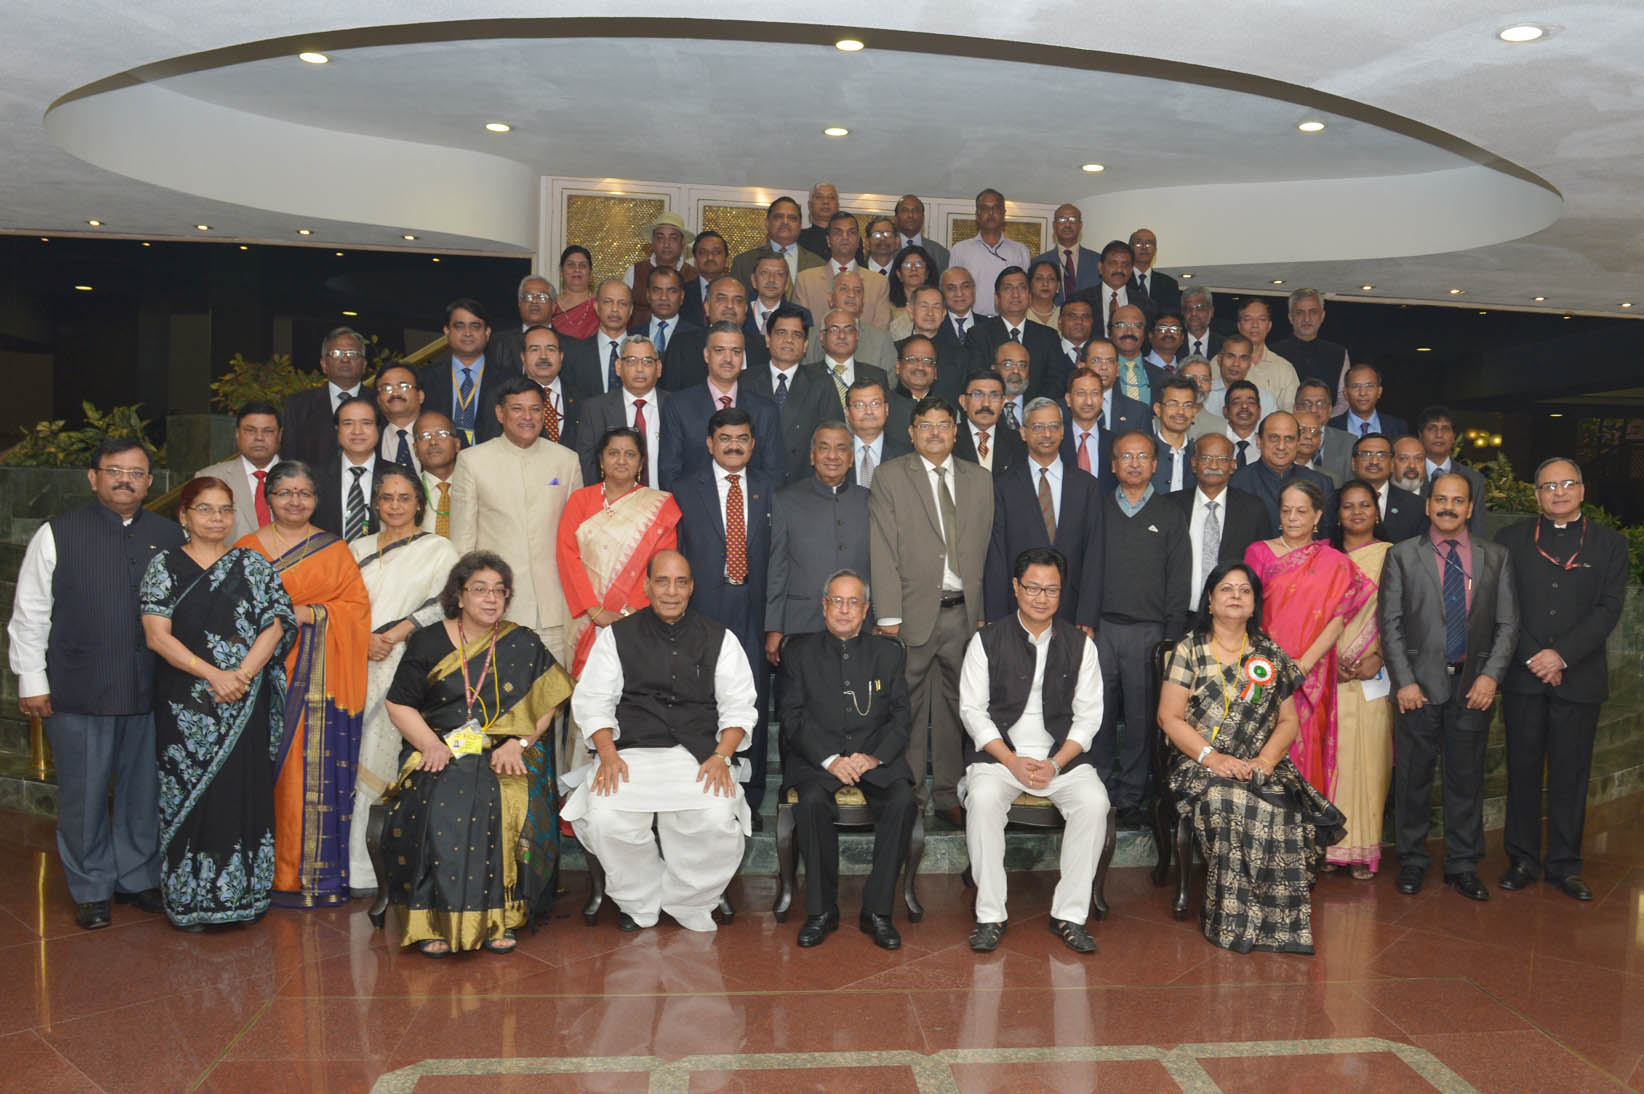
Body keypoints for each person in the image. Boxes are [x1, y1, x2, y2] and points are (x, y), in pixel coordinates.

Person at [8, 438, 186, 929]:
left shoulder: (171, 536)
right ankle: (90, 886)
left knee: (142, 792)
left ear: (151, 482)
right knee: (83, 794)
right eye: (114, 470)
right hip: (79, 688)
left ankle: (137, 877)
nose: (125, 479)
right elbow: (30, 614)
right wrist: (31, 680)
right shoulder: (57, 533)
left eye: (136, 472)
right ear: (93, 477)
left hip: (151, 690)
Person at [381, 551, 572, 956]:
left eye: (499, 592)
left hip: (506, 748)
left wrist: (517, 744)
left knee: (497, 797)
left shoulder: (522, 641)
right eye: (480, 590)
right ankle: (429, 919)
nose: (491, 599)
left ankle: (498, 918)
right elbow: (399, 703)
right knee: (439, 797)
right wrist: (430, 744)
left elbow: (548, 702)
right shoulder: (428, 641)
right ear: (459, 596)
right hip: (440, 748)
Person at [563, 551, 758, 932]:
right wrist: (607, 754)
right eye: (663, 581)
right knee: (605, 817)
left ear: (692, 588)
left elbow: (739, 706)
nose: (672, 591)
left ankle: (690, 898)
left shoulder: (721, 638)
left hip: (698, 754)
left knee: (715, 817)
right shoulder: (616, 636)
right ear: (647, 585)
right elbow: (593, 701)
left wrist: (722, 755)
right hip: (630, 753)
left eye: (681, 582)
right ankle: (641, 899)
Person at [1157, 561, 1345, 953]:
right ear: (1209, 600)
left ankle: (1279, 924)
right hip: (1198, 764)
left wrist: (1266, 760)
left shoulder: (1268, 654)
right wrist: (1212, 758)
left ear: (1254, 603)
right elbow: (1169, 717)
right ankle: (1233, 921)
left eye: (1244, 591)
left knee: (1284, 809)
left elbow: (1289, 721)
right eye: (1226, 589)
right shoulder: (1189, 650)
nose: (1235, 597)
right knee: (1229, 800)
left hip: (1256, 763)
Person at [138, 477, 295, 929]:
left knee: (242, 794)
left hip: (246, 702)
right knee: (189, 796)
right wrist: (214, 676)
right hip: (187, 705)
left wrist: (242, 676)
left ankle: (243, 899)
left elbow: (278, 622)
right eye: (205, 509)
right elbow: (156, 636)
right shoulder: (164, 566)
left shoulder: (251, 564)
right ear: (184, 515)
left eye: (225, 510)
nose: (216, 519)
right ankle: (191, 902)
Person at [235, 460, 371, 907]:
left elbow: (355, 610)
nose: (295, 501)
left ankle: (311, 875)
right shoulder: (247, 548)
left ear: (316, 500)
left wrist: (307, 614)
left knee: (306, 773)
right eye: (284, 493)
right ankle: (263, 875)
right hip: (258, 678)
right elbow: (232, 613)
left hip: (319, 683)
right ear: (268, 498)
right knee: (263, 774)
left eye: (304, 493)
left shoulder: (333, 550)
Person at [960, 547, 1109, 954]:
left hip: (1062, 758)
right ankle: (990, 914)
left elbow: (1089, 717)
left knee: (1094, 803)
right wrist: (1010, 759)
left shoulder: (1081, 645)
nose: (1041, 598)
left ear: (1062, 594)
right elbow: (972, 711)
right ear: (1015, 587)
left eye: (1052, 590)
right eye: (1032, 588)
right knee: (985, 799)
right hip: (1000, 756)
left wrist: (1056, 764)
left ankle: (1070, 914)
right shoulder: (986, 640)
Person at [1497, 458, 1629, 901]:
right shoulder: (1511, 540)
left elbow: (1609, 609)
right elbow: (1503, 606)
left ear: (1582, 490)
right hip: (1524, 676)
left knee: (1572, 775)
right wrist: (1534, 653)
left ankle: (1566, 865)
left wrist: (1561, 655)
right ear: (1536, 495)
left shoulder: (1610, 544)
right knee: (1523, 771)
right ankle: (1522, 859)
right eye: (1549, 486)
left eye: (1567, 483)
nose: (1558, 492)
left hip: (1580, 677)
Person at [1381, 473, 1517, 901]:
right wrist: (1403, 681)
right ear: (1428, 505)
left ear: (1470, 508)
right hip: (1416, 690)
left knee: (1466, 780)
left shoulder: (1495, 557)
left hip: (1473, 689)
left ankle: (1462, 864)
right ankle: (1412, 860)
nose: (1448, 508)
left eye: (1458, 501)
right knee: (1413, 781)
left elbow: (1508, 623)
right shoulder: (1402, 555)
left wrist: (1490, 676)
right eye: (1441, 499)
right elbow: (1390, 624)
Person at [869, 395, 994, 823]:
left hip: (964, 612)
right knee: (908, 706)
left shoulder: (979, 479)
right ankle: (909, 793)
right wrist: (887, 616)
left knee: (959, 708)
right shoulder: (889, 476)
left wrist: (984, 612)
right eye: (926, 425)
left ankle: (947, 794)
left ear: (955, 432)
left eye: (943, 425)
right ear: (912, 431)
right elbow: (882, 549)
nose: (935, 432)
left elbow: (990, 550)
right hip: (911, 612)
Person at [779, 570, 916, 950]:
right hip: (817, 761)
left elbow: (901, 718)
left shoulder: (886, 654)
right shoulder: (798, 653)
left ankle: (878, 912)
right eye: (836, 601)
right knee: (810, 802)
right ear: (823, 607)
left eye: (853, 602)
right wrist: (829, 760)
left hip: (874, 758)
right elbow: (791, 718)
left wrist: (873, 758)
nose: (844, 609)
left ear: (866, 610)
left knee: (903, 801)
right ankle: (821, 911)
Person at [346, 466, 460, 890]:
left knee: (391, 761)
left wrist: (392, 635)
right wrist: (362, 640)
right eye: (388, 498)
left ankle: (397, 868)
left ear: (419, 504)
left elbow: (443, 604)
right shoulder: (354, 549)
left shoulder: (438, 549)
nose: (395, 506)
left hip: (409, 667)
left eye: (405, 498)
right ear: (376, 504)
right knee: (356, 763)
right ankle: (357, 867)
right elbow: (340, 605)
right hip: (357, 664)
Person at [674, 408, 777, 818]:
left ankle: (750, 794)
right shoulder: (683, 489)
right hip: (702, 609)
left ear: (753, 443)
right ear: (709, 443)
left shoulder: (770, 487)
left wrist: (776, 621)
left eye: (742, 438)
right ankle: (704, 780)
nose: (734, 445)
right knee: (703, 698)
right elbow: (678, 552)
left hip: (754, 607)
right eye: (725, 439)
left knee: (753, 699)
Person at [1244, 479, 1374, 797]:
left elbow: (1337, 619)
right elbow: (1247, 611)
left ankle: (1302, 838)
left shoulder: (1333, 562)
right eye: (1286, 510)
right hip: (1262, 669)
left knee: (1305, 751)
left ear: (1317, 516)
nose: (1292, 518)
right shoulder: (1258, 552)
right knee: (1260, 747)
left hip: (1311, 673)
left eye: (1301, 511)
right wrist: (1270, 663)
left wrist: (1303, 665)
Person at [449, 375, 583, 664]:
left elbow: (578, 537)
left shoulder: (566, 460)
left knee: (556, 696)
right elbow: (462, 542)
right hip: (496, 607)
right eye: (517, 409)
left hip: (555, 607)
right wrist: (466, 604)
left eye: (535, 409)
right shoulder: (473, 461)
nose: (527, 417)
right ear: (500, 413)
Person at [1095, 430, 1190, 826]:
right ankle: (1095, 790)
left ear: (1155, 464)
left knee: (1139, 719)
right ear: (1113, 464)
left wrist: (1170, 637)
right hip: (1101, 630)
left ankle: (1132, 793)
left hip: (1150, 635)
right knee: (1096, 716)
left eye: (1142, 456)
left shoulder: (1169, 514)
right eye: (1125, 456)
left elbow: (1178, 579)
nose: (1134, 463)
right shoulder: (1098, 508)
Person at [557, 426, 681, 680]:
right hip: (586, 617)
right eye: (613, 453)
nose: (621, 460)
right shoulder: (580, 500)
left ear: (641, 463)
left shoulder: (659, 505)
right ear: (601, 459)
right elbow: (567, 556)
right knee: (588, 695)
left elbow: (661, 566)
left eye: (630, 454)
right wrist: (594, 610)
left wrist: (630, 611)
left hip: (638, 618)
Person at [983, 398, 1104, 631]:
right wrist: (996, 619)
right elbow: (996, 556)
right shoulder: (1003, 486)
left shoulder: (1086, 486)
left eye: (1054, 426)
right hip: (1016, 611)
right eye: (1038, 427)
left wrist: (1087, 617)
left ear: (1062, 432)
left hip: (1071, 611)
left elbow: (1094, 555)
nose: (1046, 434)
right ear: (1023, 432)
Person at [1328, 478, 1395, 879]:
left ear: (1377, 511)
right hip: (1329, 674)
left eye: (1365, 505)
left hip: (1374, 674)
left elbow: (1400, 613)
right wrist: (1326, 660)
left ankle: (1362, 850)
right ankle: (1329, 847)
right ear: (1336, 515)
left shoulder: (1393, 557)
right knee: (1331, 759)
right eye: (1348, 506)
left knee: (1371, 761)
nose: (1356, 512)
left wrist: (1380, 655)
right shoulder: (1324, 558)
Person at [766, 422, 871, 662]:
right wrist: (774, 627)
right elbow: (777, 570)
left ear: (851, 458)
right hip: (802, 622)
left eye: (841, 448)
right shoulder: (786, 500)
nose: (832, 456)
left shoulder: (869, 500)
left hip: (858, 625)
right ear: (812, 457)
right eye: (824, 448)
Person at [657, 321, 784, 487]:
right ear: (706, 355)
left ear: (743, 357)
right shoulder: (678, 406)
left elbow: (774, 475)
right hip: (694, 508)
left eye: (736, 352)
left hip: (751, 508)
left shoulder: (765, 410)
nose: (728, 359)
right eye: (719, 350)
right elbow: (669, 474)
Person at [1164, 434, 1272, 609]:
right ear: (1193, 463)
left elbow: (1263, 568)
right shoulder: (1170, 506)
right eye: (1206, 458)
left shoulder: (1253, 509)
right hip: (1177, 614)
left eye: (1221, 459)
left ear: (1232, 465)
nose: (1213, 466)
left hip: (1232, 617)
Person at [741, 305, 836, 482]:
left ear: (805, 345)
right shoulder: (745, 381)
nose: (789, 340)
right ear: (768, 339)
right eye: (781, 333)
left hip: (804, 485)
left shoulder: (821, 383)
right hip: (754, 482)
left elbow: (833, 437)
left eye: (797, 335)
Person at [574, 336, 667, 488]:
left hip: (666, 502)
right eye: (631, 360)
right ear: (618, 367)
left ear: (658, 368)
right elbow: (587, 466)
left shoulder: (675, 406)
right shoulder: (595, 409)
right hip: (612, 504)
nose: (639, 368)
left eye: (647, 361)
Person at [419, 299, 511, 447]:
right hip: (441, 462)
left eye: (475, 326)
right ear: (447, 332)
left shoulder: (508, 380)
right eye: (459, 326)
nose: (467, 333)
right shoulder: (426, 378)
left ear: (487, 332)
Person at [281, 327, 372, 466]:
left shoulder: (380, 402)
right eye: (336, 353)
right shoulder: (298, 405)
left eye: (352, 353)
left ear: (364, 364)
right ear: (323, 364)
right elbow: (289, 457)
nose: (345, 359)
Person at [195, 400, 283, 541]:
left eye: (268, 431)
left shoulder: (301, 479)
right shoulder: (210, 478)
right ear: (237, 434)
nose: (259, 438)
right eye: (250, 430)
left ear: (279, 435)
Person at [1229, 411, 1334, 529]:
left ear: (1298, 443)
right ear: (1259, 441)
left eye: (1289, 439)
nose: (1281, 446)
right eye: (1274, 438)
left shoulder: (1320, 483)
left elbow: (1326, 537)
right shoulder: (1237, 483)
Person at [794, 212, 892, 329]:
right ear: (828, 241)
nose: (845, 237)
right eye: (838, 232)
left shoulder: (879, 283)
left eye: (851, 232)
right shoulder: (805, 280)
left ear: (858, 241)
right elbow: (800, 329)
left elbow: (881, 331)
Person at [948, 189, 1031, 316]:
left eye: (996, 208)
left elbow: (1026, 293)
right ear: (977, 214)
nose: (991, 213)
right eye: (985, 208)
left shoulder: (1020, 250)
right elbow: (952, 290)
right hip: (972, 323)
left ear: (1003, 213)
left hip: (1009, 321)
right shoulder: (960, 249)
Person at [314, 394, 380, 541]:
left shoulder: (398, 476)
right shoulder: (315, 477)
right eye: (348, 423)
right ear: (337, 429)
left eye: (366, 423)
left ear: (378, 428)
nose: (357, 431)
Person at [1271, 288, 1352, 408]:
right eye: (1300, 312)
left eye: (1313, 312)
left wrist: (1324, 422)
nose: (1307, 319)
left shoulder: (1338, 353)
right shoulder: (1273, 353)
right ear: (1290, 318)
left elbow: (1344, 399)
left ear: (1322, 316)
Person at [1415, 405, 1487, 535]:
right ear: (1420, 435)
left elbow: (1478, 529)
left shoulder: (1474, 479)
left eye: (1445, 429)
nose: (1439, 435)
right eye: (1432, 428)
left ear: (1454, 437)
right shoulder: (1408, 474)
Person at [729, 196, 825, 290]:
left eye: (792, 218)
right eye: (778, 217)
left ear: (800, 225)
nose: (785, 222)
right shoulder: (744, 263)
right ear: (767, 223)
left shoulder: (818, 264)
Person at [561, 280, 635, 397]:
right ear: (596, 307)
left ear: (630, 310)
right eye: (608, 302)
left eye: (622, 303)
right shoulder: (573, 354)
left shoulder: (645, 352)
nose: (615, 309)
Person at [624, 212, 696, 329]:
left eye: (673, 238)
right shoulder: (635, 271)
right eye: (660, 238)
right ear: (652, 241)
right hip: (639, 342)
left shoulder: (694, 275)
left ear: (683, 243)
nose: (666, 244)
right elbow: (623, 309)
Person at [1351, 432, 1426, 541]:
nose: (1374, 461)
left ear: (1392, 464)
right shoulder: (1335, 501)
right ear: (1353, 463)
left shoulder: (1416, 505)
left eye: (1382, 455)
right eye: (1366, 454)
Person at [518, 324, 580, 450]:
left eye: (551, 349)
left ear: (561, 356)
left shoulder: (583, 400)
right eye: (535, 349)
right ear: (523, 357)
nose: (543, 356)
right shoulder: (507, 399)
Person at [954, 367, 1025, 474]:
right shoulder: (949, 439)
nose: (986, 403)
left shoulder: (1017, 442)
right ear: (963, 402)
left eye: (994, 395)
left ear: (1002, 403)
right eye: (978, 394)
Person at [1234, 298, 1299, 412]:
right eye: (1248, 319)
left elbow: (1292, 413)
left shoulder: (1284, 368)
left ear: (1269, 326)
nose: (1255, 325)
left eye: (1261, 319)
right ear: (1239, 325)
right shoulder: (1221, 363)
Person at [1033, 204, 1101, 302]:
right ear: (1054, 225)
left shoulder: (1097, 261)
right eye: (1062, 220)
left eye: (1072, 220)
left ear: (1080, 225)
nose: (1067, 225)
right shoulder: (1038, 262)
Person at [413, 412, 462, 537]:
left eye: (441, 434)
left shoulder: (476, 485)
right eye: (424, 436)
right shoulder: (408, 491)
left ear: (457, 445)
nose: (433, 442)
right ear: (415, 449)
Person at [1330, 364, 1407, 439]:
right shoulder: (1330, 427)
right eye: (1356, 386)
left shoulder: (1397, 427)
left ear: (1379, 392)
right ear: (1345, 393)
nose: (1363, 393)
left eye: (1369, 386)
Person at [374, 364, 425, 471]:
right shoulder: (370, 440)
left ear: (420, 396)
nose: (395, 393)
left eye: (404, 386)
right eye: (386, 388)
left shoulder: (442, 435)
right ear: (378, 400)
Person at [680, 230, 730, 328]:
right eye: (703, 253)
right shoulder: (682, 292)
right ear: (695, 260)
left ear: (727, 260)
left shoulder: (739, 293)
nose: (710, 257)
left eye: (716, 252)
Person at [886, 244, 936, 338]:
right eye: (907, 265)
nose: (913, 269)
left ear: (927, 273)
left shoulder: (938, 306)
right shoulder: (888, 308)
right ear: (899, 274)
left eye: (919, 264)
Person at [893, 193, 950, 273]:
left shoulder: (939, 253)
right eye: (905, 211)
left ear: (923, 218)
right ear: (896, 218)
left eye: (915, 211)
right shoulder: (887, 249)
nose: (910, 215)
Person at [1128, 228, 1181, 313]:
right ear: (1130, 248)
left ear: (1155, 250)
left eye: (1149, 243)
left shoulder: (1169, 284)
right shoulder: (1122, 280)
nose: (1144, 247)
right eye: (1138, 243)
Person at [552, 245, 599, 340]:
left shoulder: (601, 305)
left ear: (590, 272)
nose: (577, 270)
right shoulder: (550, 304)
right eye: (571, 265)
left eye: (582, 266)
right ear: (561, 270)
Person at [1024, 258, 1061, 329]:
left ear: (1058, 286)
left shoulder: (1065, 315)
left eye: (1051, 278)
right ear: (1029, 284)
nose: (1045, 283)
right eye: (1039, 278)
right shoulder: (1020, 315)